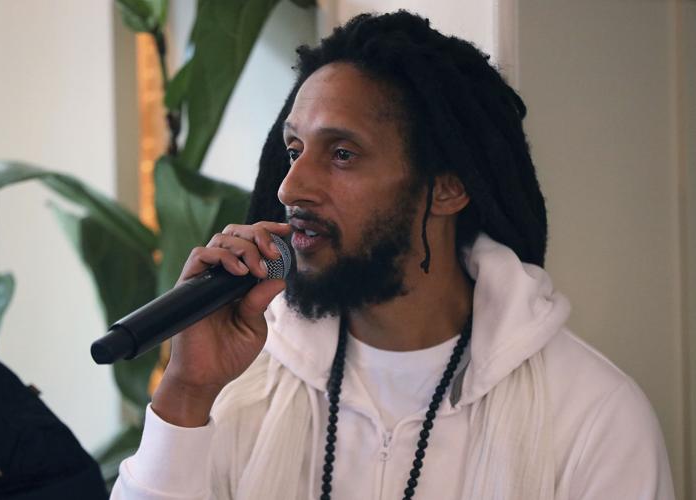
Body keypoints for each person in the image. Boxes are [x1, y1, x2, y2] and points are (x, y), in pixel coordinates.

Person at [112, 11, 675, 500]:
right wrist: (187, 393)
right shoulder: (242, 392)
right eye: (294, 149)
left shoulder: (590, 416)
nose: (291, 187)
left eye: (342, 154)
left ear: (448, 188)